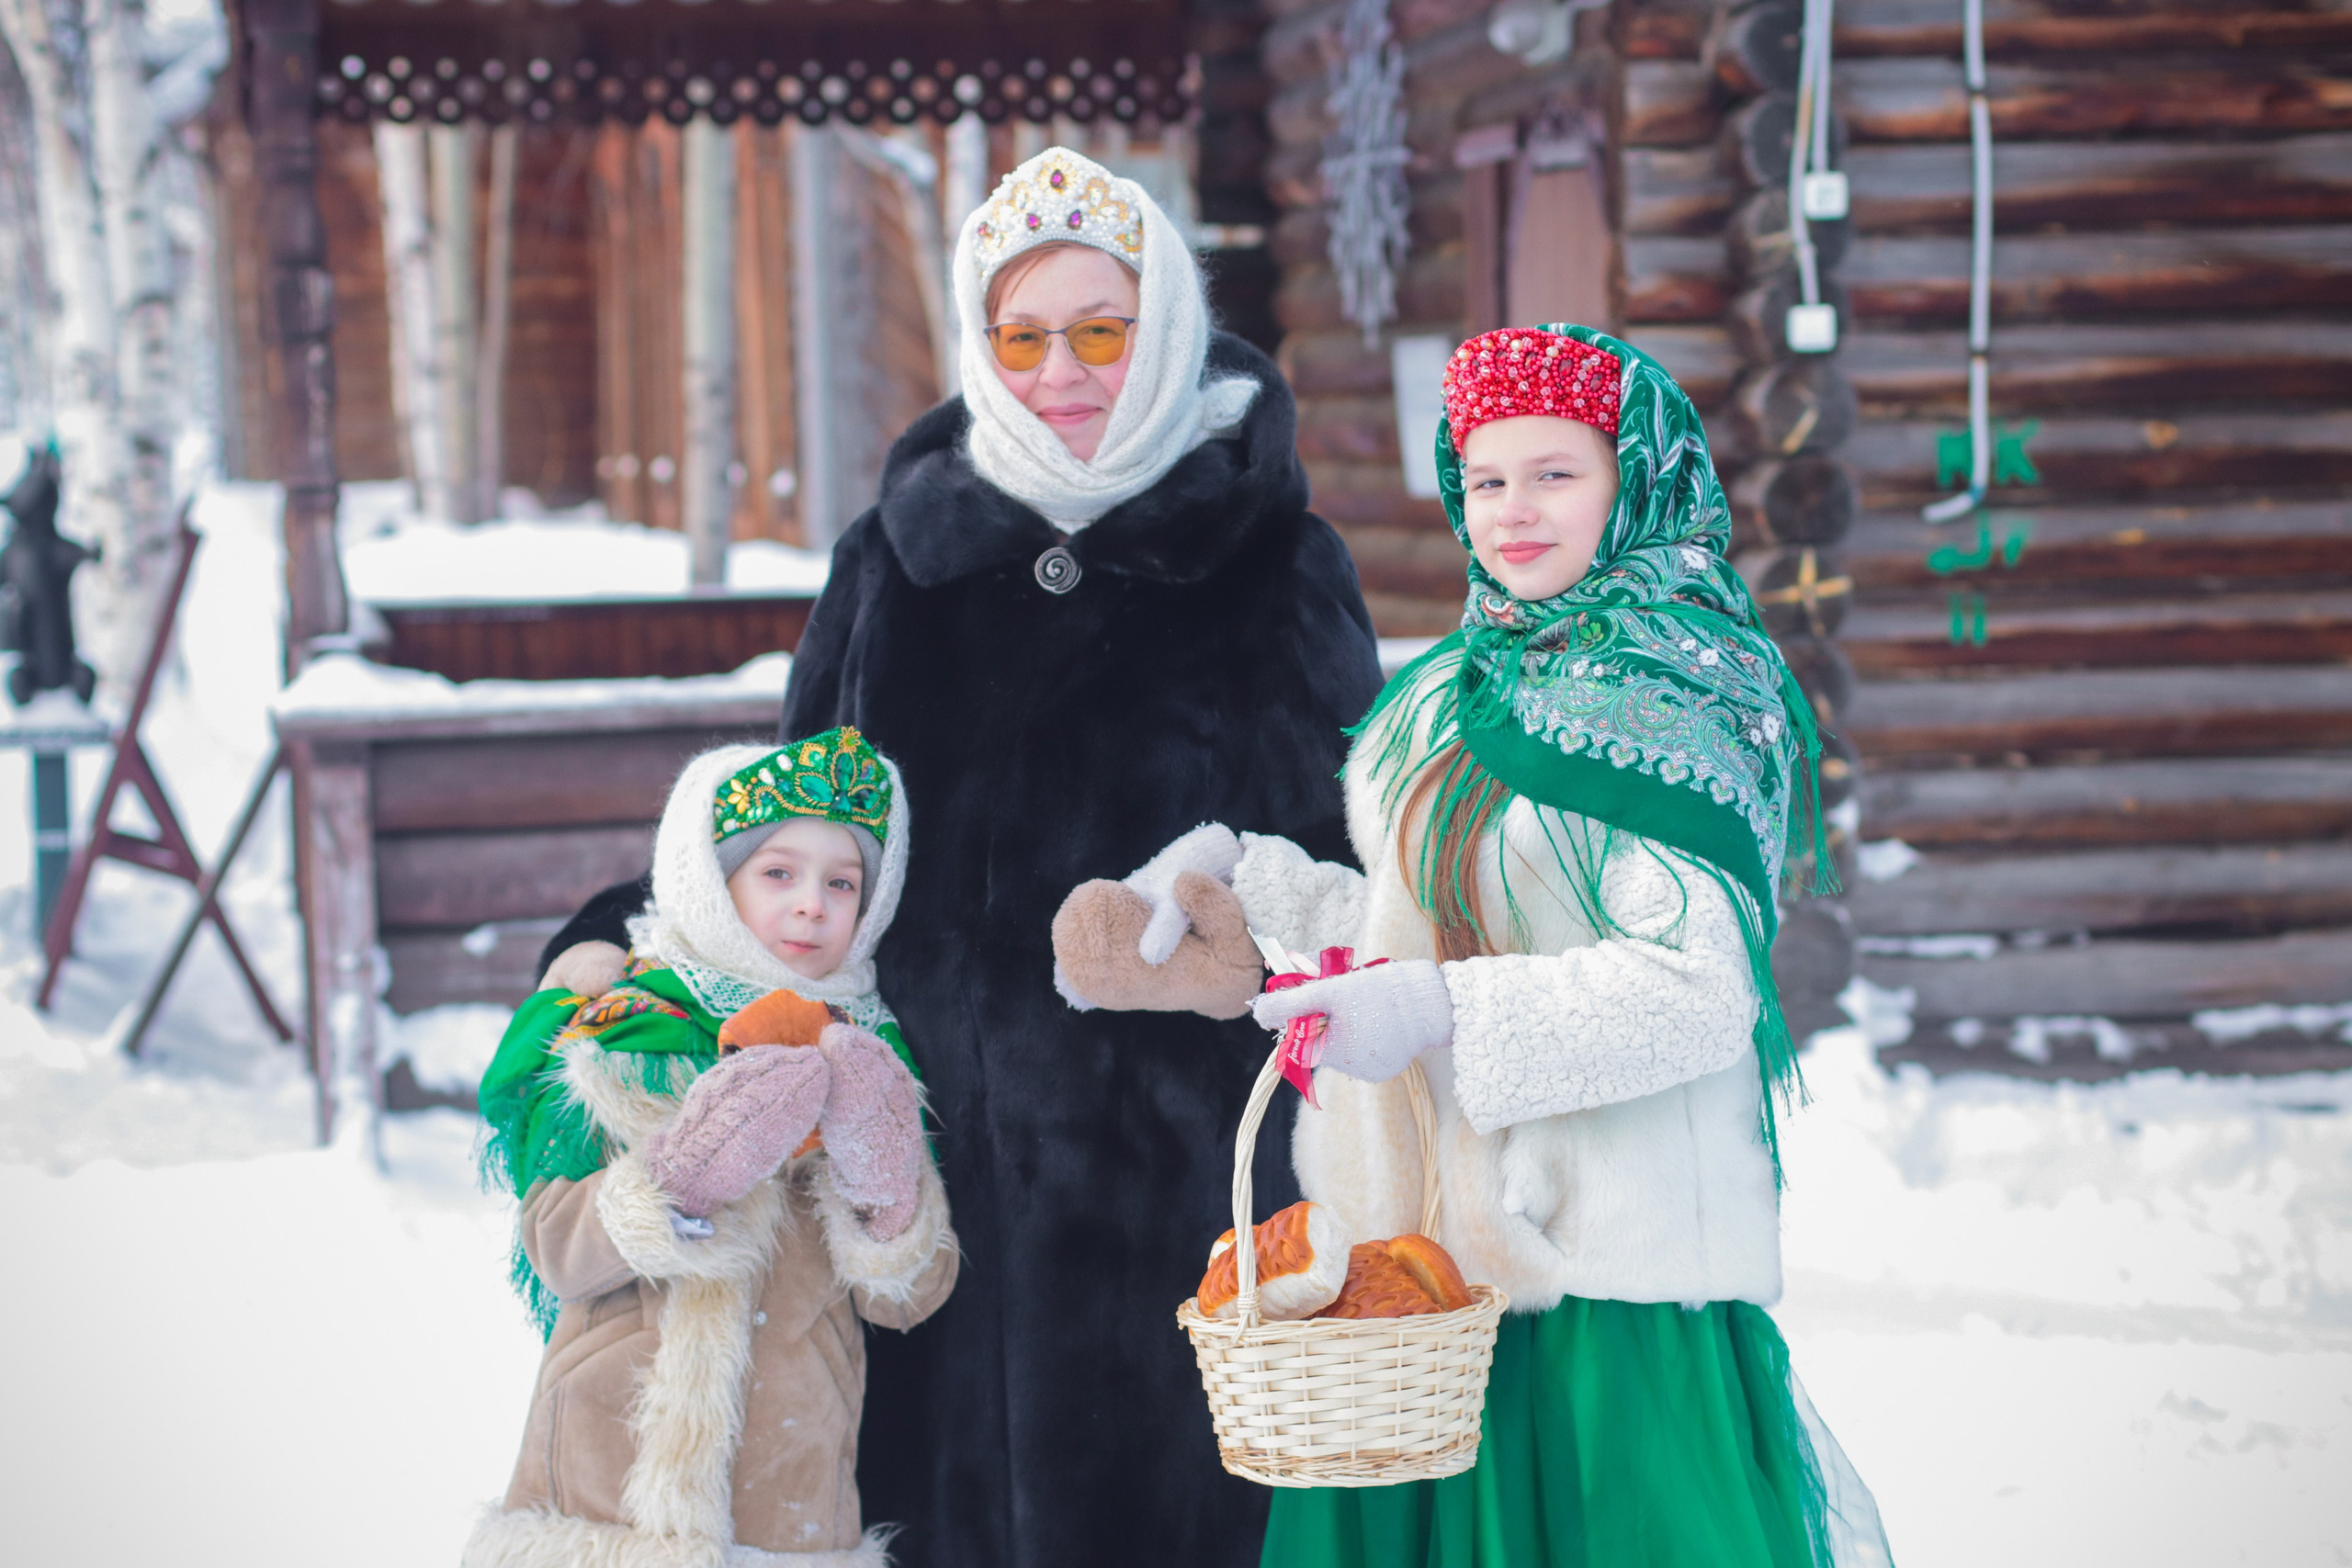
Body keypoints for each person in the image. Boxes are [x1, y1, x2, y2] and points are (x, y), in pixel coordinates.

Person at [535, 147, 1385, 1568]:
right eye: (1023, 333)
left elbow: (1357, 863)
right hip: (921, 1187)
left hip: (1187, 1191)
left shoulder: (1278, 564)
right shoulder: (894, 560)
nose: (1062, 371)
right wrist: (613, 928)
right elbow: (793, 830)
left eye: (1102, 330)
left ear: (1167, 327)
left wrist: (1234, 928)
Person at [1063, 325, 1894, 1566]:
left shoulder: (1682, 691)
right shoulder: (1445, 694)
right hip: (1419, 1278)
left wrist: (1441, 1010)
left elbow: (1698, 990)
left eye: (1556, 473)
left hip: (1600, 1284)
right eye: (1488, 477)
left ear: (1632, 480)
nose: (1513, 509)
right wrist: (1251, 883)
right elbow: (1409, 923)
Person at [470, 727, 958, 1568]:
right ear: (714, 880)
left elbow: (907, 1299)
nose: (813, 904)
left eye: (842, 882)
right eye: (779, 873)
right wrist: (675, 1179)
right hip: (603, 1501)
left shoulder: (870, 1058)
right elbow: (554, 1246)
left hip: (790, 1511)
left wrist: (886, 1190)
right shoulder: (625, 1035)